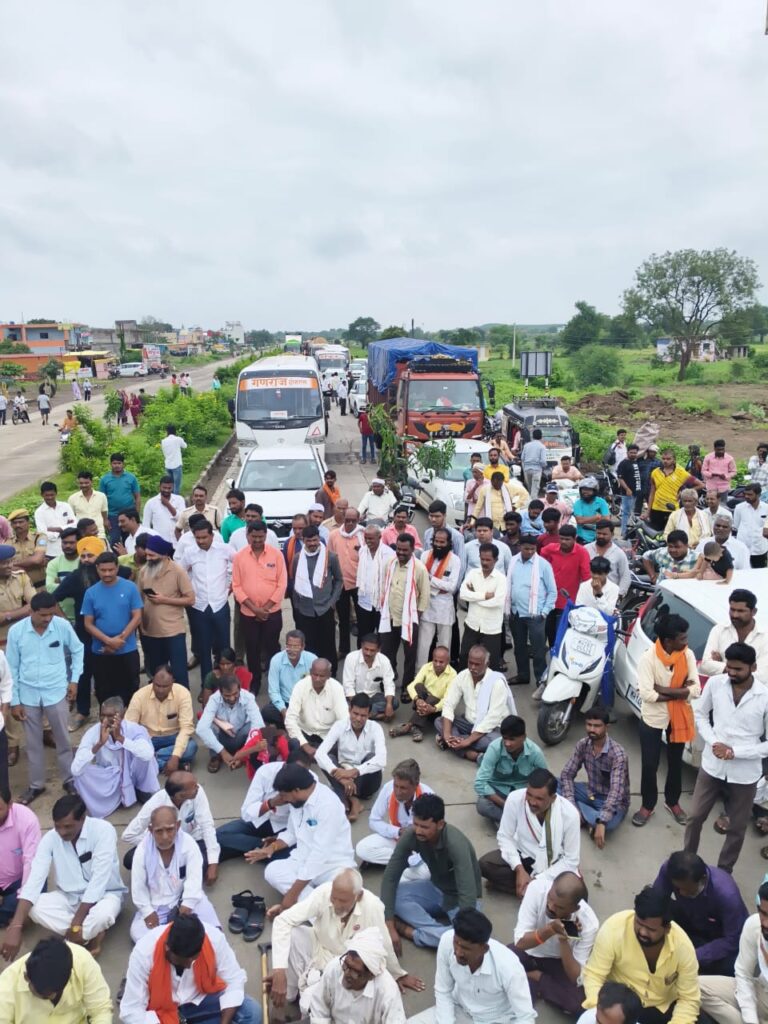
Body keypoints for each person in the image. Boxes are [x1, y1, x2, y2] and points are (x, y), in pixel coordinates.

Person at [268, 871, 418, 1014]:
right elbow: (282, 921)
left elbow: (383, 943)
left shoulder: (373, 906)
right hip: (319, 946)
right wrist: (279, 971)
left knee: (311, 1004)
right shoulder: (324, 893)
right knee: (294, 934)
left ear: (358, 896)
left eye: (343, 901)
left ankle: (310, 995)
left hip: (344, 964)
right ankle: (286, 992)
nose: (336, 904)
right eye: (334, 898)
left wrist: (398, 974)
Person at [1, 795, 126, 961]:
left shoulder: (104, 830)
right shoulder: (50, 839)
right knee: (33, 907)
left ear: (83, 818)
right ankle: (88, 935)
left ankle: (78, 935)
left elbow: (99, 881)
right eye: (57, 826)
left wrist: (76, 923)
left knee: (102, 915)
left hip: (106, 895)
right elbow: (34, 881)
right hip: (68, 898)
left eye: (68, 826)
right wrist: (15, 926)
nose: (62, 832)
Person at [683, 641, 768, 872]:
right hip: (712, 765)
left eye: (737, 669)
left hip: (745, 773)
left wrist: (735, 753)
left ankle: (724, 872)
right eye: (729, 667)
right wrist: (714, 742)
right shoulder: (716, 683)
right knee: (695, 817)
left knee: (737, 828)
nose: (731, 672)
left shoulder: (765, 696)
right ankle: (687, 864)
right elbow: (699, 714)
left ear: (753, 667)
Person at [582, 886, 700, 1024]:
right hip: (618, 1005)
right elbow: (594, 976)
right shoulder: (613, 929)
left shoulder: (684, 948)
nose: (643, 932)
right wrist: (603, 1012)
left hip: (660, 1007)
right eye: (638, 923)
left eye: (651, 929)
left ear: (667, 928)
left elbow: (689, 999)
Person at [7, 591, 83, 805]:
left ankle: (69, 780)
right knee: (32, 743)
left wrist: (74, 680)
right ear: (31, 612)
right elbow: (11, 667)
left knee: (63, 740)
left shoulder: (61, 626)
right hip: (28, 694)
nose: (48, 619)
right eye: (43, 615)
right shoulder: (17, 632)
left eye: (51, 614)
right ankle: (36, 785)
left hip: (56, 691)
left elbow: (78, 650)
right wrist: (15, 700)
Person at [381, 793, 482, 950]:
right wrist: (388, 924)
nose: (418, 831)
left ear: (440, 824)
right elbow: (390, 877)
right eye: (416, 824)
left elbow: (468, 894)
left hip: (459, 898)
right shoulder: (411, 835)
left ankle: (412, 932)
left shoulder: (456, 844)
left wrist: (462, 930)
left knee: (471, 938)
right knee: (391, 897)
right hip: (435, 888)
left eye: (425, 827)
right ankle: (439, 934)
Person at [119, 913, 259, 1024]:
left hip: (201, 1001)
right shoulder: (143, 953)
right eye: (183, 960)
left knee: (252, 1012)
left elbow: (234, 980)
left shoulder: (213, 938)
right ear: (168, 947)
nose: (189, 965)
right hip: (161, 1013)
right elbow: (132, 1010)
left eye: (194, 958)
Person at [252, 763, 356, 908]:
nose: (282, 800)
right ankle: (321, 907)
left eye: (283, 795)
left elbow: (319, 854)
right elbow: (292, 833)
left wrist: (291, 896)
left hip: (332, 865)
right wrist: (272, 847)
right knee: (272, 871)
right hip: (301, 859)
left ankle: (315, 909)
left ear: (296, 790)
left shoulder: (328, 805)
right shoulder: (297, 802)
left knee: (345, 886)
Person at [407, 908, 537, 1024]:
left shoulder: (509, 966)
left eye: (465, 948)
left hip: (496, 1019)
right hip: (458, 1009)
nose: (457, 952)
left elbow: (525, 1017)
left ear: (484, 948)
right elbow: (443, 990)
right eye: (456, 943)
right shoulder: (446, 941)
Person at [631, 613, 700, 829]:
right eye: (682, 638)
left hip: (677, 718)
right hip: (653, 719)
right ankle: (647, 805)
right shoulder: (648, 658)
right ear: (669, 641)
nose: (686, 642)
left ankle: (672, 802)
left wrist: (666, 690)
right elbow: (647, 695)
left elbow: (696, 689)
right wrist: (680, 692)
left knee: (675, 762)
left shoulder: (686, 655)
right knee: (650, 765)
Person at [479, 769, 581, 896]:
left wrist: (538, 879)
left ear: (553, 798)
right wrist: (519, 869)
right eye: (529, 795)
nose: (532, 802)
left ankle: (523, 889)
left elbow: (571, 860)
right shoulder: (515, 799)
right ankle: (532, 891)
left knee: (573, 894)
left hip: (553, 864)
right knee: (484, 864)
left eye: (539, 798)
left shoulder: (570, 815)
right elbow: (505, 836)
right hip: (523, 855)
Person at [512, 871, 600, 1016]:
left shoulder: (589, 923)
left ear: (575, 908)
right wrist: (550, 929)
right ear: (551, 887)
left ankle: (536, 977)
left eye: (559, 907)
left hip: (558, 963)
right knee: (498, 961)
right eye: (550, 898)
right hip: (529, 950)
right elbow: (520, 943)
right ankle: (542, 985)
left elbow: (575, 976)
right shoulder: (536, 890)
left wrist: (563, 940)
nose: (551, 907)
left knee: (579, 1004)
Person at [129, 805, 219, 941]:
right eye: (159, 831)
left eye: (170, 829)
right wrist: (148, 912)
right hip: (156, 906)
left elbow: (194, 880)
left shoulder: (189, 844)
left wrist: (186, 906)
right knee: (138, 933)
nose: (165, 837)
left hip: (184, 899)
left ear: (177, 826)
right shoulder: (142, 851)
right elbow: (138, 887)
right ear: (150, 830)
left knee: (211, 930)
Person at [653, 851, 748, 977]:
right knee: (652, 911)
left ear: (702, 879)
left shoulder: (727, 896)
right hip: (689, 915)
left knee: (731, 966)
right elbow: (656, 898)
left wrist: (695, 956)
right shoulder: (669, 869)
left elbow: (732, 940)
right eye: (677, 888)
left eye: (686, 889)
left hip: (717, 935)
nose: (681, 893)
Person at [216, 751, 311, 864]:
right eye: (295, 773)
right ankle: (261, 848)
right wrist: (270, 803)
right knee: (220, 835)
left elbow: (301, 826)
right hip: (261, 820)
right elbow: (246, 814)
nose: (298, 778)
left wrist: (278, 842)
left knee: (299, 854)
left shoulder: (309, 783)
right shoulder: (266, 772)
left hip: (285, 828)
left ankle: (252, 850)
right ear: (285, 766)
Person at [123, 769, 220, 879]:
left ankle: (163, 874)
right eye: (193, 787)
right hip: (163, 844)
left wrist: (213, 864)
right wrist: (159, 842)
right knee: (129, 859)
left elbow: (207, 825)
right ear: (180, 795)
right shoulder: (155, 804)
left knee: (202, 865)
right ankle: (168, 874)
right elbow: (128, 835)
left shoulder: (198, 792)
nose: (198, 787)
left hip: (192, 839)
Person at [71, 696, 159, 815]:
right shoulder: (93, 732)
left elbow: (148, 755)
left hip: (135, 775)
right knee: (80, 772)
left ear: (122, 714)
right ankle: (114, 797)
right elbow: (75, 769)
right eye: (102, 715)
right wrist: (99, 744)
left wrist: (120, 739)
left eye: (111, 716)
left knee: (143, 756)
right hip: (110, 777)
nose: (105, 720)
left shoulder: (135, 729)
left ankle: (140, 789)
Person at [699, 878, 768, 1024]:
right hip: (762, 991)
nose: (765, 923)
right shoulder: (754, 924)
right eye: (764, 913)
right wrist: (751, 1020)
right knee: (694, 987)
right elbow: (744, 974)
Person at [0, 935, 112, 1024]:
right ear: (26, 977)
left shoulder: (82, 961)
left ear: (69, 976)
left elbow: (100, 1011)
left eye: (56, 992)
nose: (50, 997)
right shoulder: (5, 988)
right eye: (43, 996)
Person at [559, 707, 630, 845]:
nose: (592, 729)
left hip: (611, 801)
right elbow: (567, 774)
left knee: (608, 825)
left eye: (597, 726)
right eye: (589, 725)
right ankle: (583, 815)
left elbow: (616, 792)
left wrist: (602, 821)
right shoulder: (583, 744)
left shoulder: (618, 754)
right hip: (590, 792)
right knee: (551, 784)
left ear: (606, 727)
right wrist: (572, 805)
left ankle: (586, 817)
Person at [82, 550, 143, 706]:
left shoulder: (130, 588)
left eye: (111, 570)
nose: (107, 573)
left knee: (131, 691)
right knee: (104, 692)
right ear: (97, 569)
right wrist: (108, 641)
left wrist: (119, 640)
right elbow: (88, 623)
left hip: (127, 649)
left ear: (117, 568)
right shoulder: (91, 593)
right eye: (103, 570)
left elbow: (137, 616)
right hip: (101, 652)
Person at [308, 929, 407, 1024]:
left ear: (371, 975)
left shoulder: (387, 990)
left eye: (355, 971)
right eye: (346, 965)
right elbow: (319, 1005)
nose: (346, 974)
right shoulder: (335, 967)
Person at [232, 522, 287, 693]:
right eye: (253, 537)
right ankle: (254, 681)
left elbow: (282, 583)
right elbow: (237, 586)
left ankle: (276, 682)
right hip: (249, 613)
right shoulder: (240, 557)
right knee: (252, 648)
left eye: (260, 537)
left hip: (272, 612)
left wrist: (266, 608)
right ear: (247, 535)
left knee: (272, 647)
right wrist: (255, 609)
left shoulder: (276, 555)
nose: (257, 540)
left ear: (265, 535)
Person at [177, 519, 233, 682]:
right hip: (199, 607)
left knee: (224, 648)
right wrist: (190, 590)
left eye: (204, 537)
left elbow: (240, 564)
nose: (201, 541)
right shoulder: (190, 552)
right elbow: (181, 573)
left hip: (220, 604)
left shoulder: (224, 549)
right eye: (197, 538)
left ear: (212, 535)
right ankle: (207, 685)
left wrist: (230, 584)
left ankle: (226, 683)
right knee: (203, 648)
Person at [438, 645, 515, 761]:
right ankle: (471, 753)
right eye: (470, 663)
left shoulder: (497, 682)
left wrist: (467, 741)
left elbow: (492, 719)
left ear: (487, 664)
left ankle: (458, 746)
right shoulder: (463, 676)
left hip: (491, 730)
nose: (473, 667)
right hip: (469, 724)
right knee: (439, 721)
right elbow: (448, 704)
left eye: (477, 664)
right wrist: (448, 734)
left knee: (497, 742)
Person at [356, 759, 434, 873]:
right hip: (396, 839)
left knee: (426, 872)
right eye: (395, 786)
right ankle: (407, 863)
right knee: (362, 849)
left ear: (415, 785)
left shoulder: (429, 797)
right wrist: (398, 831)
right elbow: (374, 820)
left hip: (420, 846)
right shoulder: (388, 789)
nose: (397, 791)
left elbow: (434, 835)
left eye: (403, 788)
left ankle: (401, 863)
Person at [316, 693, 386, 820]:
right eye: (355, 713)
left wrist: (354, 772)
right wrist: (342, 777)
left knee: (372, 757)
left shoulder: (376, 728)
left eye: (363, 715)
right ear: (349, 710)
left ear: (369, 715)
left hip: (367, 782)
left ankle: (344, 797)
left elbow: (382, 759)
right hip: (343, 777)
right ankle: (354, 800)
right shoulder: (339, 726)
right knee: (328, 759)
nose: (358, 719)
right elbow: (319, 753)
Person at [137, 534, 195, 685]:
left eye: (152, 555)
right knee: (158, 674)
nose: (148, 558)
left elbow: (190, 599)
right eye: (147, 554)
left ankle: (183, 705)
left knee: (179, 673)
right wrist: (141, 624)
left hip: (173, 631)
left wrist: (165, 600)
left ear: (163, 555)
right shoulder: (144, 571)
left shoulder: (177, 571)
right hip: (151, 631)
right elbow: (139, 599)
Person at [379, 534, 430, 694]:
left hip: (409, 620)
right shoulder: (389, 563)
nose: (400, 553)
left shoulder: (420, 568)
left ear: (412, 549)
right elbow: (383, 586)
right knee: (387, 653)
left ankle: (408, 687)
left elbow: (424, 596)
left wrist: (416, 619)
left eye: (404, 550)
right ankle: (390, 679)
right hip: (390, 617)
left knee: (409, 656)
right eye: (398, 549)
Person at [474, 714, 549, 825]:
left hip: (524, 794)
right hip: (498, 792)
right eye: (505, 738)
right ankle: (518, 823)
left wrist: (533, 800)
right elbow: (479, 783)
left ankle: (507, 823)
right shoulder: (494, 748)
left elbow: (545, 780)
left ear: (523, 737)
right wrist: (505, 805)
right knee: (483, 805)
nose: (507, 743)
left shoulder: (535, 752)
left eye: (512, 739)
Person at [290, 525, 343, 675]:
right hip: (305, 611)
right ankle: (312, 675)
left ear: (319, 538)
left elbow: (339, 580)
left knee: (328, 646)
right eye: (309, 541)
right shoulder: (297, 559)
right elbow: (295, 584)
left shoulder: (330, 557)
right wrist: (297, 606)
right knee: (309, 647)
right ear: (303, 540)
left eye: (315, 540)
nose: (312, 543)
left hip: (325, 609)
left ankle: (331, 675)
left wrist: (332, 601)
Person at [506, 534, 557, 690]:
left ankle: (540, 680)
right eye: (526, 548)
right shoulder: (513, 561)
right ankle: (523, 675)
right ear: (520, 546)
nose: (529, 552)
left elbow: (552, 591)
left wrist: (544, 612)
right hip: (516, 613)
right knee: (519, 647)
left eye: (533, 549)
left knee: (538, 650)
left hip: (536, 615)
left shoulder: (543, 565)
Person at [125, 666, 197, 772]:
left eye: (165, 686)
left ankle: (152, 759)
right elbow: (129, 727)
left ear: (173, 682)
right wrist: (140, 747)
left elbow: (186, 728)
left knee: (191, 747)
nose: (160, 690)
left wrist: (175, 756)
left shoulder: (183, 693)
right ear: (152, 680)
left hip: (173, 737)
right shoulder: (139, 696)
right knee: (127, 751)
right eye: (157, 685)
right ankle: (172, 766)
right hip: (148, 738)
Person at [284, 657, 349, 757]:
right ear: (310, 672)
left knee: (346, 746)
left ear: (329, 675)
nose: (317, 679)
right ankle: (318, 756)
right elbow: (290, 719)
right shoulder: (300, 686)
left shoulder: (337, 688)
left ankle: (318, 756)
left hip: (328, 736)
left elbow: (344, 720)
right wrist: (305, 745)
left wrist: (328, 744)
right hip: (305, 734)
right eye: (315, 675)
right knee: (293, 743)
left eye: (322, 676)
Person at [416, 529, 462, 667]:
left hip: (444, 606)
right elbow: (419, 580)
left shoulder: (455, 560)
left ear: (449, 543)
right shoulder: (425, 555)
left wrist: (430, 579)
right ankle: (419, 674)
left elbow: (452, 587)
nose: (438, 545)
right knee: (423, 645)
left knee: (444, 645)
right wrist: (438, 584)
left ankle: (443, 676)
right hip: (427, 604)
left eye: (442, 542)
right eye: (436, 541)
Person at [701, 588, 768, 683]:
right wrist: (742, 670)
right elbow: (705, 665)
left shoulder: (765, 636)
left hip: (756, 696)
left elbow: (762, 676)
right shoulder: (719, 630)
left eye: (741, 611)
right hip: (723, 693)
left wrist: (723, 665)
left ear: (754, 612)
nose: (735, 615)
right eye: (732, 610)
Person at [391, 645, 456, 742]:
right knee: (418, 686)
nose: (437, 664)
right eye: (435, 660)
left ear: (448, 661)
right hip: (423, 702)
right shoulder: (427, 667)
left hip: (438, 709)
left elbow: (448, 700)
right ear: (432, 659)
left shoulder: (453, 675)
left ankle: (409, 726)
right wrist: (417, 700)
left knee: (432, 699)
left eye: (441, 662)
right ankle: (416, 726)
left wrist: (434, 708)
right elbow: (411, 686)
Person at [458, 543, 507, 670]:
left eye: (488, 560)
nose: (484, 562)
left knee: (492, 663)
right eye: (482, 559)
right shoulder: (473, 573)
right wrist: (484, 595)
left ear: (496, 560)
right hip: (472, 624)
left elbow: (497, 602)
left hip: (492, 628)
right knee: (464, 657)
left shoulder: (501, 579)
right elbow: (463, 595)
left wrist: (473, 596)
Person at [541, 524, 591, 646]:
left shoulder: (582, 552)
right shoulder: (549, 549)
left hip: (568, 601)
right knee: (548, 632)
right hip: (548, 600)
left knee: (561, 634)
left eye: (567, 539)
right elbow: (540, 567)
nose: (563, 542)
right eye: (561, 538)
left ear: (575, 538)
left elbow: (586, 578)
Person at [0, 785, 41, 928]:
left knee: (31, 898)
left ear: (10, 804)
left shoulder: (27, 819)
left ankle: (16, 915)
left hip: (19, 881)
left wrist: (23, 899)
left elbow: (31, 863)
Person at [263, 629, 316, 727]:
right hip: (285, 703)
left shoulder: (312, 660)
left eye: (296, 646)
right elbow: (274, 691)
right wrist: (284, 711)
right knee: (267, 712)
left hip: (306, 703)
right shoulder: (276, 660)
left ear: (303, 647)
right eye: (289, 646)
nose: (291, 650)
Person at [328, 506, 363, 656]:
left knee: (362, 620)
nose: (349, 524)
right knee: (343, 619)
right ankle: (344, 650)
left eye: (352, 521)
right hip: (341, 584)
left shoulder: (363, 535)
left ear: (358, 520)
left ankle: (362, 651)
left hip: (359, 585)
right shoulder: (334, 535)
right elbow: (329, 558)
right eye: (347, 520)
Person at [343, 633, 397, 721]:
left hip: (373, 697)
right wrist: (356, 704)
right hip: (355, 696)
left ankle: (360, 714)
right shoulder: (351, 658)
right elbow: (348, 685)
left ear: (378, 650)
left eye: (372, 650)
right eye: (366, 649)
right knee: (342, 705)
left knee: (394, 703)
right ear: (361, 646)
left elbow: (389, 684)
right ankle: (374, 715)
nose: (368, 653)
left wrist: (389, 705)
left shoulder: (384, 661)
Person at [356, 524, 397, 636]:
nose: (368, 541)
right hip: (364, 601)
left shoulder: (389, 554)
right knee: (363, 635)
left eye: (371, 538)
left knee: (382, 637)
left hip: (382, 604)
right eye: (366, 538)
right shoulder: (362, 551)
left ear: (379, 537)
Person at [647, 448, 703, 531]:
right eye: (663, 459)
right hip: (656, 509)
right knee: (655, 536)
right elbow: (652, 493)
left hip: (672, 510)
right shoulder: (655, 472)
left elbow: (701, 485)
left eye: (668, 459)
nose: (665, 461)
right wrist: (648, 511)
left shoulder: (681, 472)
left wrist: (684, 493)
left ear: (674, 460)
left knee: (670, 536)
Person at [98, 451, 141, 542]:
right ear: (111, 464)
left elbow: (137, 497)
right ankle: (115, 556)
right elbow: (101, 500)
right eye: (114, 463)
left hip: (129, 515)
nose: (117, 465)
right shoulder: (105, 479)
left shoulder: (131, 478)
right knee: (114, 540)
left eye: (119, 463)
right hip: (112, 515)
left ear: (123, 464)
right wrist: (105, 519)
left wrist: (136, 515)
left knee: (130, 539)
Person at [586, 520, 631, 599]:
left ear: (612, 534)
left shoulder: (618, 553)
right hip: (587, 595)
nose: (601, 536)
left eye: (604, 534)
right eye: (599, 533)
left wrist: (619, 595)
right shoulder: (586, 549)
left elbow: (625, 576)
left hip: (609, 597)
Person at [34, 481, 77, 559]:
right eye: (47, 495)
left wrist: (55, 529)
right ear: (42, 495)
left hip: (70, 549)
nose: (50, 497)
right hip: (51, 551)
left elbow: (75, 525)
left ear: (56, 493)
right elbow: (43, 533)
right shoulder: (39, 512)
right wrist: (65, 530)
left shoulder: (65, 506)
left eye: (52, 495)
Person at [7, 507, 47, 588]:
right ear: (11, 525)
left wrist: (14, 564)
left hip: (41, 586)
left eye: (21, 522)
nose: (17, 525)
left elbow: (37, 560)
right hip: (20, 590)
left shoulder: (39, 537)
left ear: (28, 522)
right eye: (14, 523)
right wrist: (33, 563)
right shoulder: (7, 543)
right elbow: (6, 568)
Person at [141, 476, 186, 544]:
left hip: (178, 542)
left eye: (169, 488)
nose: (166, 490)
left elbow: (182, 519)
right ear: (159, 487)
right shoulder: (151, 503)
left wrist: (168, 505)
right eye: (164, 488)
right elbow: (146, 525)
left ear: (173, 487)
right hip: (159, 544)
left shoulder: (179, 500)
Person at [733, 482, 768, 569]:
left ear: (758, 495)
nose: (746, 496)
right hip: (743, 547)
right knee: (742, 574)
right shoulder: (739, 508)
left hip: (760, 548)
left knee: (760, 575)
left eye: (750, 494)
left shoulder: (766, 508)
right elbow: (736, 526)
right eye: (745, 494)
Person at [68, 471, 109, 539]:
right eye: (81, 483)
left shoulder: (101, 496)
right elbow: (71, 516)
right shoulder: (72, 498)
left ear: (91, 482)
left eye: (86, 483)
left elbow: (104, 511)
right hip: (81, 534)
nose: (84, 485)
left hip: (99, 533)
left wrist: (105, 521)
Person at [615, 444, 644, 537]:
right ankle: (624, 532)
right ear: (627, 452)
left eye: (635, 453)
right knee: (626, 512)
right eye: (631, 452)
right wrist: (627, 489)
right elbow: (620, 478)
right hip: (628, 493)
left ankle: (630, 530)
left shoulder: (635, 462)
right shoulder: (623, 463)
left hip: (636, 491)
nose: (633, 454)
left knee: (631, 512)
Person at [572, 478, 610, 545]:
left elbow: (606, 520)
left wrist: (585, 519)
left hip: (599, 537)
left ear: (594, 491)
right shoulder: (578, 503)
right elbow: (579, 520)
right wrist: (596, 518)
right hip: (582, 538)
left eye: (588, 490)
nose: (585, 492)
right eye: (583, 489)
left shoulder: (601, 502)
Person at [521, 429, 548, 497]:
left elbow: (522, 458)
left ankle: (529, 504)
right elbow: (543, 461)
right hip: (536, 470)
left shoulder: (526, 445)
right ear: (541, 437)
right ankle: (534, 505)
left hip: (527, 470)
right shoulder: (542, 447)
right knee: (535, 490)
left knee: (530, 489)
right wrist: (544, 466)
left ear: (532, 436)